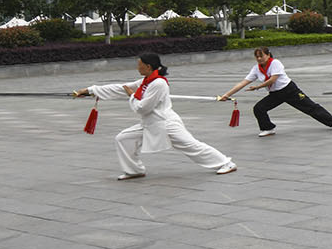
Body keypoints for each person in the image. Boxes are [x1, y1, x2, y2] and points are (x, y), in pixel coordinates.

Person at [74, 52, 237, 180]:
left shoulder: (158, 83)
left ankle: (226, 163)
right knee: (123, 139)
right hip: (151, 123)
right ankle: (134, 170)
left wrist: (132, 96)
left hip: (166, 124)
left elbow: (143, 108)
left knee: (191, 146)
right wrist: (90, 90)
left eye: (139, 65)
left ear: (148, 66)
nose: (137, 68)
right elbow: (121, 88)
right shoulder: (146, 81)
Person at [216, 47, 332, 137]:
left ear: (268, 55)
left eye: (261, 56)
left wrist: (258, 87)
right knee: (259, 108)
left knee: (310, 107)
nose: (259, 58)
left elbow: (273, 79)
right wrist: (227, 95)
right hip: (275, 94)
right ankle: (268, 128)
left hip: (290, 90)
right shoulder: (256, 69)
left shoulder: (275, 63)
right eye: (257, 57)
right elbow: (243, 83)